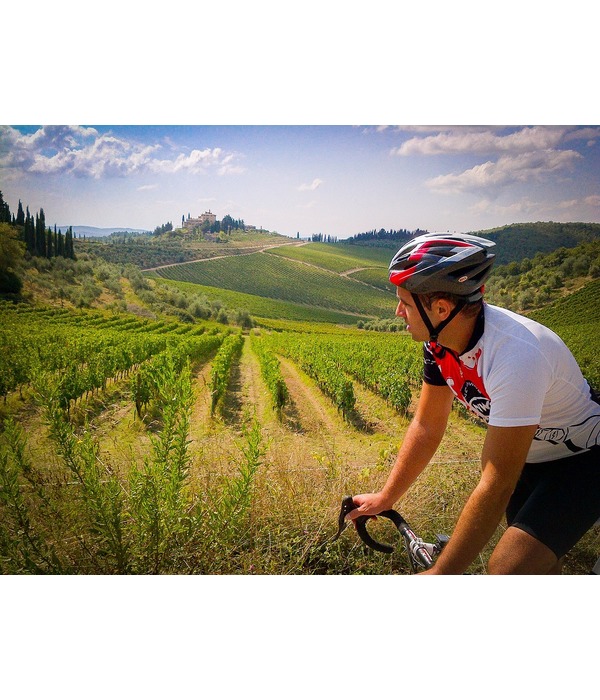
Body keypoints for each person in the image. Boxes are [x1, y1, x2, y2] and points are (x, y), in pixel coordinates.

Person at [347, 232, 600, 574]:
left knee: (508, 570)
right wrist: (387, 497)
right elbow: (427, 425)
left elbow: (496, 484)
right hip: (531, 458)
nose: (398, 312)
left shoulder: (516, 356)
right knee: (536, 570)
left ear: (441, 308)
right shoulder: (441, 345)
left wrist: (442, 573)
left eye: (405, 303)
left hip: (583, 460)